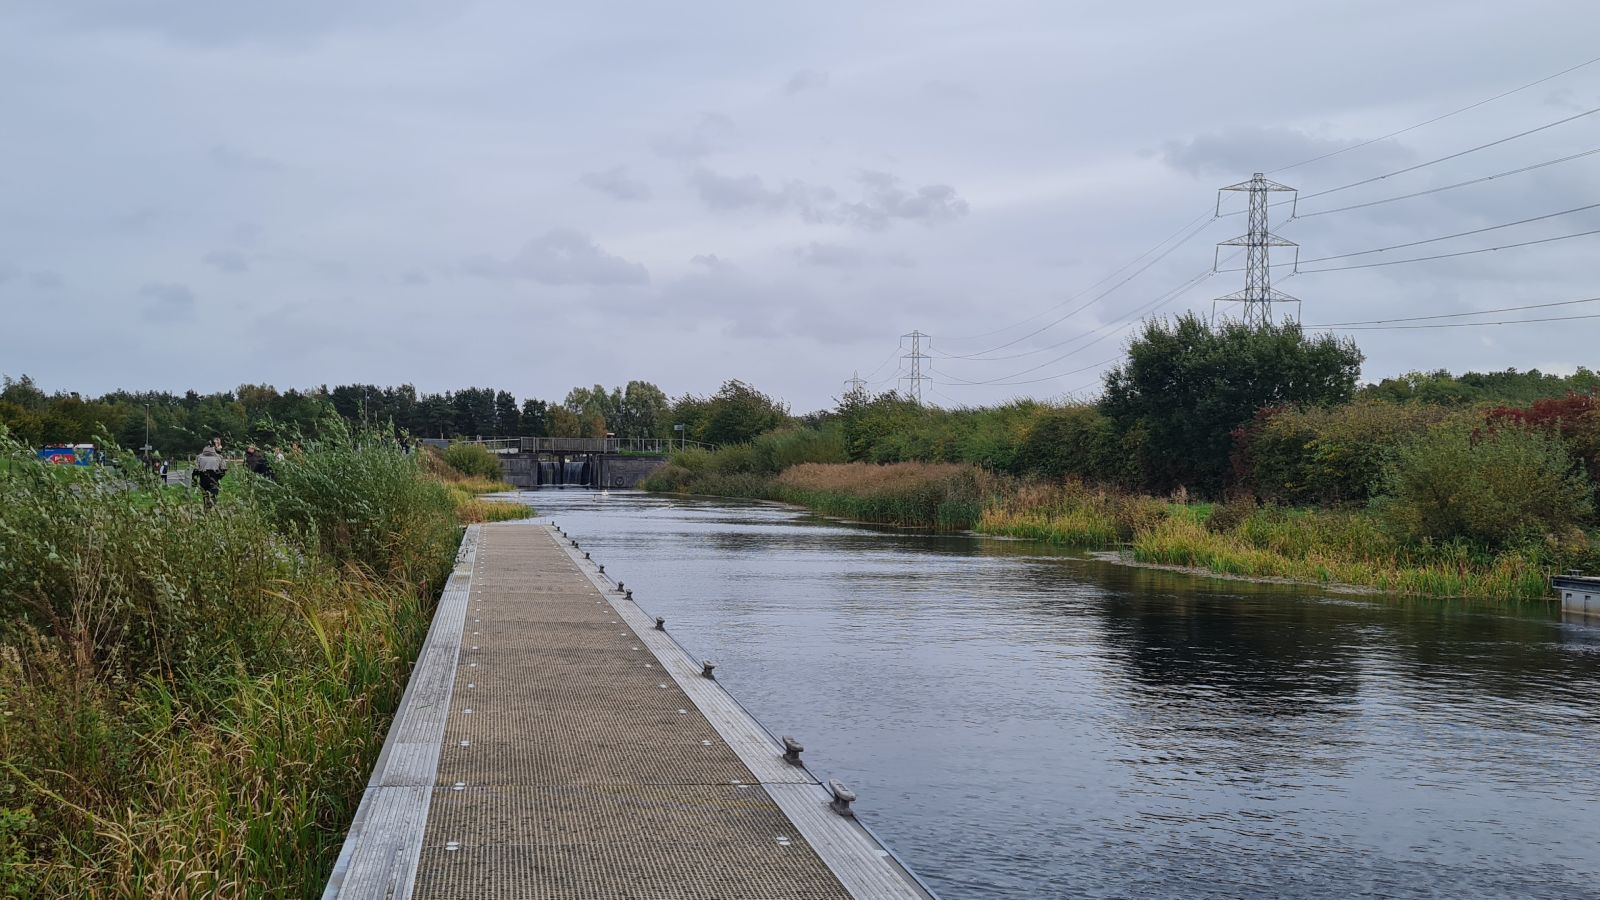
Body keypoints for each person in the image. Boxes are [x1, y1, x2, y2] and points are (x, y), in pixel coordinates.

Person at [194, 440, 228, 508]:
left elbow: (196, 469)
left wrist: (195, 479)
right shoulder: (219, 457)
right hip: (214, 477)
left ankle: (206, 509)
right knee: (213, 496)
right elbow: (223, 469)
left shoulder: (199, 457)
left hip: (203, 478)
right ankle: (210, 508)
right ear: (213, 447)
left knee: (205, 495)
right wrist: (219, 477)